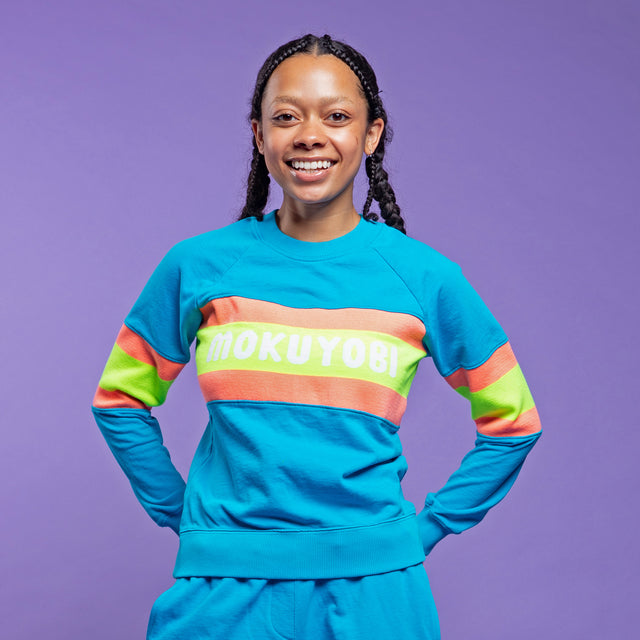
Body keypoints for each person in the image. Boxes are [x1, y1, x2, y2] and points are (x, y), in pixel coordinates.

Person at [92, 34, 542, 640]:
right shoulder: (199, 265)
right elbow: (120, 400)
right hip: (221, 588)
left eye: (336, 116)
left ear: (371, 134)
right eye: (286, 117)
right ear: (259, 136)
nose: (309, 135)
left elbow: (514, 421)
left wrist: (426, 528)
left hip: (376, 592)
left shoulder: (422, 277)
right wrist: (192, 521)